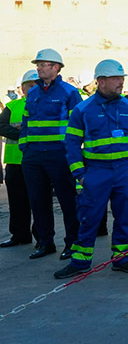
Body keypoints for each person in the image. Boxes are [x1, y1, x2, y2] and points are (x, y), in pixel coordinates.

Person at [54, 59, 128, 279]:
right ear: (101, 81)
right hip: (96, 172)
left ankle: (121, 258)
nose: (121, 83)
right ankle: (80, 261)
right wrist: (81, 175)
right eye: (116, 79)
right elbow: (71, 144)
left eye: (122, 78)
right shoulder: (83, 110)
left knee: (124, 216)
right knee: (89, 216)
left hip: (126, 171)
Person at [21, 48, 81, 260]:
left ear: (56, 68)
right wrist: (24, 147)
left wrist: (72, 153)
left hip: (59, 155)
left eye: (42, 64)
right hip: (33, 156)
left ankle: (73, 243)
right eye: (37, 64)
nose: (38, 68)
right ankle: (45, 242)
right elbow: (26, 122)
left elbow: (77, 126)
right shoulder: (34, 93)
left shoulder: (69, 92)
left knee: (67, 201)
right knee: (38, 201)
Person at [0, 70, 37, 248]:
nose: (32, 89)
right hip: (15, 163)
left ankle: (43, 238)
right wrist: (23, 133)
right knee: (17, 202)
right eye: (29, 86)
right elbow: (2, 126)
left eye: (36, 85)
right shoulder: (13, 106)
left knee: (39, 202)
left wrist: (22, 132)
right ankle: (20, 235)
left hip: (37, 162)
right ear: (22, 88)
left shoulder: (46, 105)